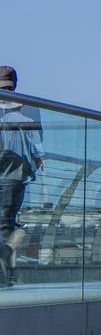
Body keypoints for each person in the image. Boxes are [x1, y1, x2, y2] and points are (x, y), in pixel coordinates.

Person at [0, 66, 43, 288]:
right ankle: (8, 272)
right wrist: (37, 159)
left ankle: (6, 274)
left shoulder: (23, 110)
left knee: (4, 223)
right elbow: (37, 144)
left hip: (9, 174)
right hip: (17, 175)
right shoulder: (28, 110)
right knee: (6, 222)